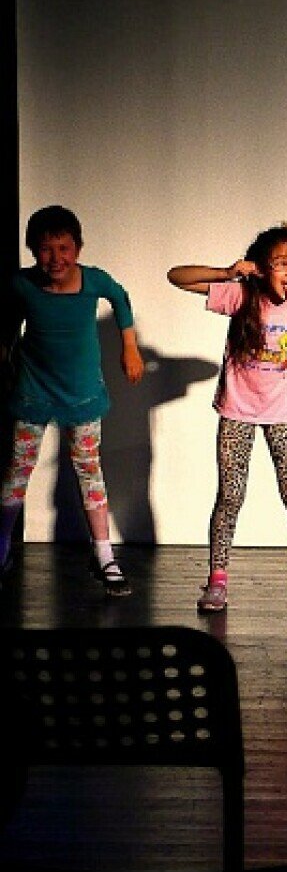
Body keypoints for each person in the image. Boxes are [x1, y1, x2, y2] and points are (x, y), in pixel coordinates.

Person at [168, 223, 287, 613]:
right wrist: (227, 272)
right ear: (260, 267)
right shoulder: (242, 295)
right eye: (281, 263)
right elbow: (177, 277)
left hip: (283, 414)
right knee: (231, 495)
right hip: (237, 411)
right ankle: (217, 580)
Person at [0, 205, 144, 595]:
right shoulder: (23, 284)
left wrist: (130, 346)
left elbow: (120, 297)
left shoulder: (93, 281)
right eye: (46, 249)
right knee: (18, 471)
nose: (55, 258)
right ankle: (1, 548)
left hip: (81, 393)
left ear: (77, 249)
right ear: (32, 249)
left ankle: (103, 553)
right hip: (34, 390)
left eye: (63, 248)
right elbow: (10, 321)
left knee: (89, 471)